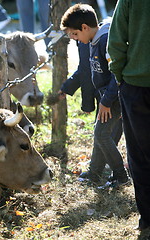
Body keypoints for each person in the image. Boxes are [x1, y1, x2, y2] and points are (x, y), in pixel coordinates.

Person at [60, 3, 129, 188]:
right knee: (101, 134)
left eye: (75, 34)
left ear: (84, 27)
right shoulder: (92, 40)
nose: (75, 39)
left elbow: (116, 74)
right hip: (107, 98)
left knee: (102, 135)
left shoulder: (105, 40)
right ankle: (98, 172)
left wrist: (106, 102)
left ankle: (120, 176)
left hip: (113, 98)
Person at [107, 0, 150, 231]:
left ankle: (147, 219)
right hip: (133, 83)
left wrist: (120, 76)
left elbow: (115, 42)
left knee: (140, 157)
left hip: (135, 85)